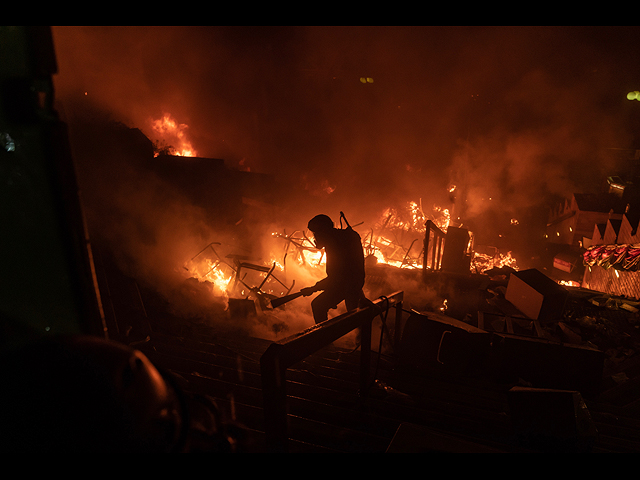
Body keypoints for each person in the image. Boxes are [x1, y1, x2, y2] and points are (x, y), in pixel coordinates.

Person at [300, 213, 366, 323]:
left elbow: (337, 278)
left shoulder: (336, 245)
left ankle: (325, 337)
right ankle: (360, 336)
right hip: (354, 283)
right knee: (356, 316)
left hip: (348, 285)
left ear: (323, 231)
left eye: (315, 233)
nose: (314, 237)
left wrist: (314, 288)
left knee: (318, 305)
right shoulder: (341, 239)